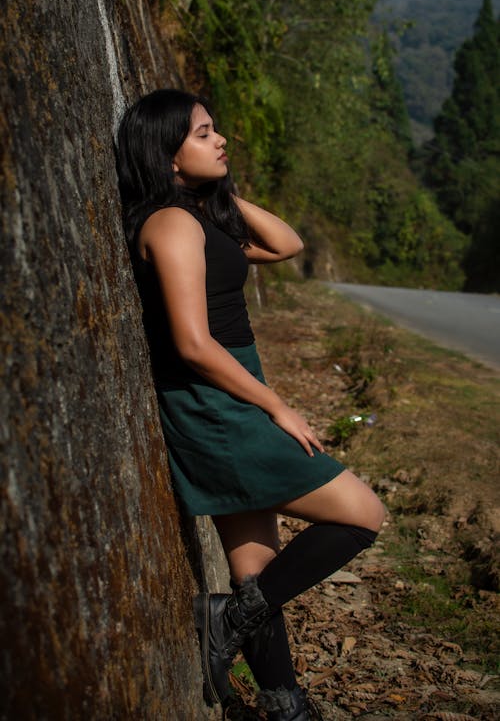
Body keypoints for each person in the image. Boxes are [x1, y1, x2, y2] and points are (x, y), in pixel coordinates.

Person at [117, 89, 385, 721]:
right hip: (216, 400)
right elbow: (192, 342)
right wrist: (278, 407)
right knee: (361, 514)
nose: (221, 141)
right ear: (167, 157)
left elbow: (286, 244)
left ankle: (283, 703)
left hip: (232, 386)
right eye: (204, 134)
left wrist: (220, 190)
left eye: (216, 131)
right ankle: (227, 619)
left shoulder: (200, 218)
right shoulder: (170, 224)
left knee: (256, 572)